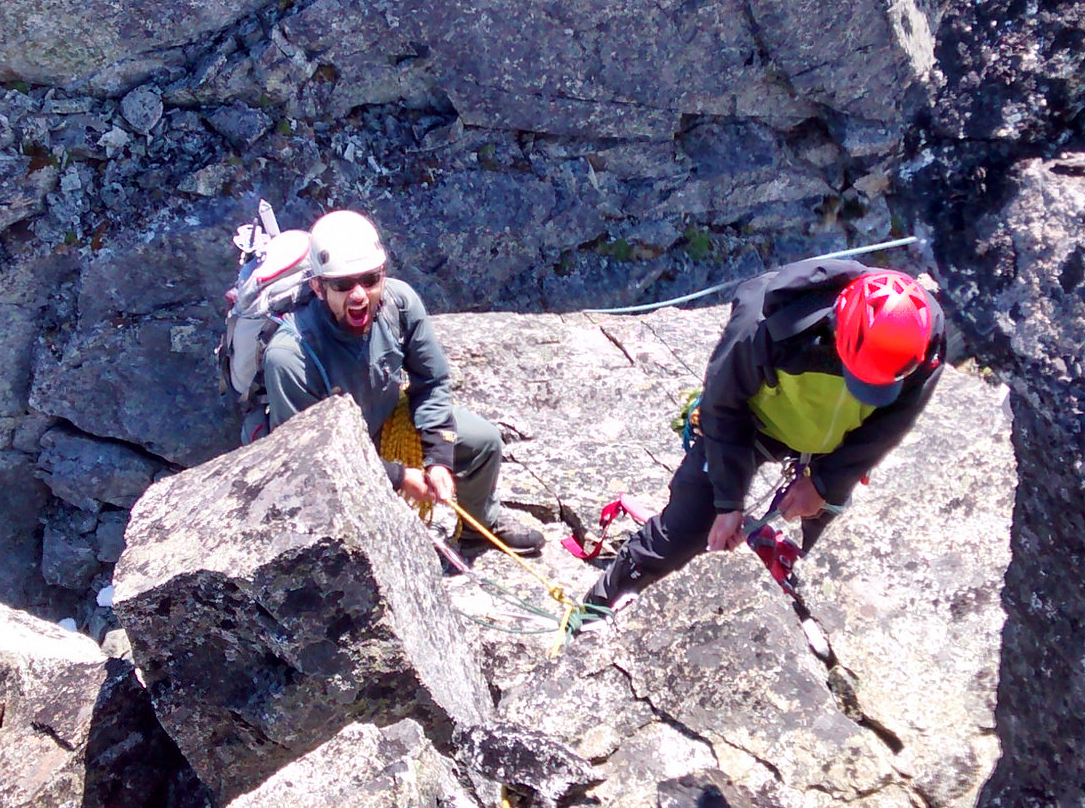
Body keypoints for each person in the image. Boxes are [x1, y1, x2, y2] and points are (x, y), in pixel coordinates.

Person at [582, 257, 946, 610]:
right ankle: (598, 605)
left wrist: (825, 484)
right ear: (838, 329)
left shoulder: (922, 344)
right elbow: (723, 407)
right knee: (686, 528)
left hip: (833, 442)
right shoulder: (765, 325)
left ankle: (798, 583)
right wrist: (729, 503)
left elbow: (891, 422)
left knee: (819, 527)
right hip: (753, 425)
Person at [263, 209, 546, 556]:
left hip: (384, 419)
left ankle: (479, 525)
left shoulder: (399, 304)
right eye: (342, 284)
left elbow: (431, 381)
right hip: (329, 455)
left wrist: (438, 457)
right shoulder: (291, 356)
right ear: (318, 288)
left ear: (382, 274)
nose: (359, 295)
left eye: (369, 279)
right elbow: (308, 458)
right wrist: (399, 477)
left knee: (484, 442)